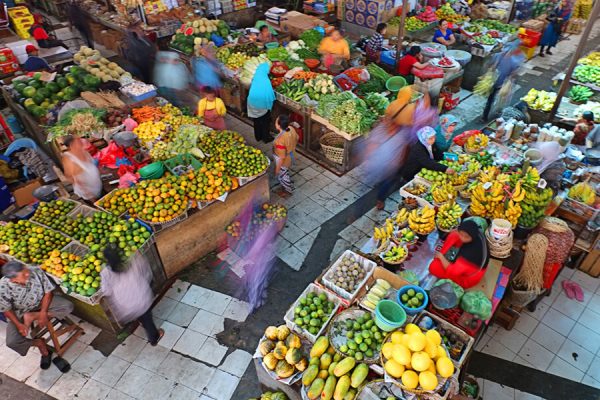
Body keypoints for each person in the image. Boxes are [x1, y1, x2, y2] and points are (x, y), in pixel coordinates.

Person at [0, 261, 74, 369]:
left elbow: (48, 293)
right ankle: (40, 345)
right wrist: (19, 324)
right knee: (12, 342)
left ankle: (33, 315)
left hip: (41, 302)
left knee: (68, 306)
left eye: (26, 271)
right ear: (13, 280)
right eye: (23, 275)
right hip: (20, 311)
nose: (28, 274)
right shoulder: (3, 288)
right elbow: (6, 310)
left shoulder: (34, 270)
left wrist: (43, 313)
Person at [101, 245, 164, 346]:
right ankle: (154, 338)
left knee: (140, 316)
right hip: (140, 299)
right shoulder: (132, 262)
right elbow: (147, 273)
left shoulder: (105, 272)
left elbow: (106, 291)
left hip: (126, 304)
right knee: (147, 319)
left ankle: (141, 321)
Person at [429, 220, 489, 289]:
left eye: (466, 237)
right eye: (461, 234)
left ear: (472, 236)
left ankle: (443, 256)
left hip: (467, 279)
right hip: (468, 266)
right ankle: (445, 254)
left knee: (434, 266)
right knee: (454, 234)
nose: (462, 238)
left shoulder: (469, 256)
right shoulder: (478, 233)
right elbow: (460, 233)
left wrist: (441, 257)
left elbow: (453, 272)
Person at [482, 43, 524, 121]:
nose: (505, 52)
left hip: (504, 84)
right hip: (494, 82)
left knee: (501, 100)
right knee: (490, 100)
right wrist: (490, 69)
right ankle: (485, 117)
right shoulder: (497, 56)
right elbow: (488, 64)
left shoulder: (514, 61)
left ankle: (498, 113)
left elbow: (515, 73)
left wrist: (511, 77)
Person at [62, 135, 102, 201]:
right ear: (72, 145)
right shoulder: (69, 158)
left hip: (97, 186)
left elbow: (92, 165)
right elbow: (70, 177)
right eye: (77, 141)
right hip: (88, 194)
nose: (81, 141)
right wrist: (88, 194)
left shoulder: (84, 152)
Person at [247, 63, 276, 143]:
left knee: (256, 121)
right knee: (265, 122)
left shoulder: (256, 77)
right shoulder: (265, 80)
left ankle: (258, 136)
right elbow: (270, 95)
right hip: (261, 106)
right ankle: (266, 138)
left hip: (252, 103)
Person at [273, 114, 299, 197]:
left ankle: (288, 190)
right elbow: (297, 137)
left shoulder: (279, 140)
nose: (275, 123)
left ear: (279, 126)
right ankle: (287, 185)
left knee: (283, 175)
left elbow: (282, 157)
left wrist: (277, 170)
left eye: (276, 122)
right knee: (285, 171)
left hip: (285, 160)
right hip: (291, 154)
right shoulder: (291, 129)